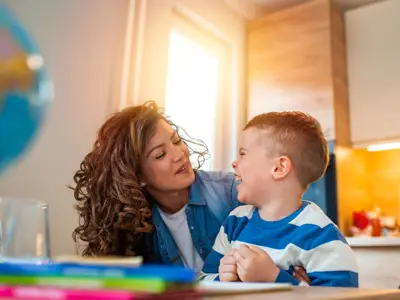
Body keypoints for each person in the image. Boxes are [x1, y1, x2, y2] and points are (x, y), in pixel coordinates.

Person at [70, 101, 309, 282]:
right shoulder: (135, 222)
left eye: (175, 141)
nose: (179, 154)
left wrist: (302, 274)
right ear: (138, 176)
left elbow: (296, 230)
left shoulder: (231, 192)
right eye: (160, 155)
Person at [200, 112, 359, 287]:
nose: (234, 163)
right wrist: (223, 279)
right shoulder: (235, 223)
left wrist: (273, 277)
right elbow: (202, 280)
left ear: (279, 167)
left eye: (243, 154)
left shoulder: (321, 236)